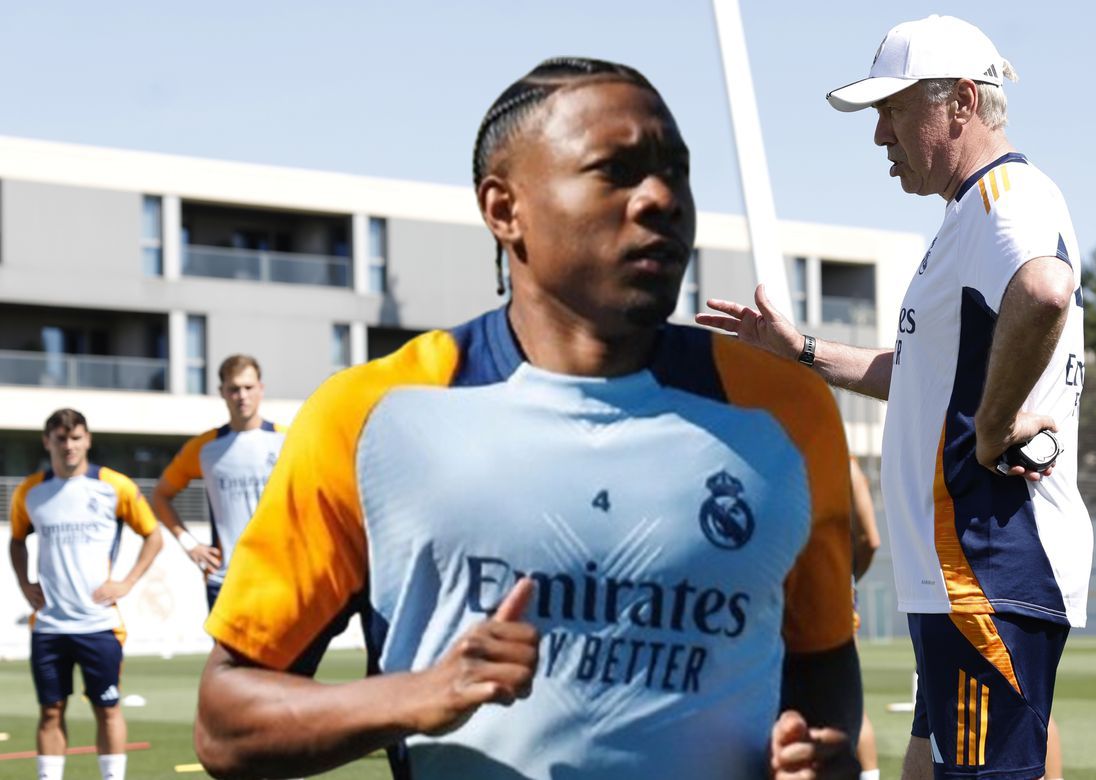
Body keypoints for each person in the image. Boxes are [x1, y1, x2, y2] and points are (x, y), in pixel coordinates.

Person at [194, 57, 862, 780]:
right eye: (618, 170)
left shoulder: (785, 411)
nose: (662, 197)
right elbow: (226, 723)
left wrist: (815, 753)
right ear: (504, 209)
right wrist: (418, 696)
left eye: (676, 171)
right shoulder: (374, 415)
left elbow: (823, 666)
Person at [699, 15, 1091, 780]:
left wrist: (995, 427)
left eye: (894, 108)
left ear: (963, 104)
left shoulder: (1005, 199)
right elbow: (916, 374)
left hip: (984, 563)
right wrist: (801, 350)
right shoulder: (969, 215)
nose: (880, 134)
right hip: (963, 570)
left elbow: (1045, 291)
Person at [8, 408, 163, 780]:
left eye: (76, 438)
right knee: (50, 711)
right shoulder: (30, 491)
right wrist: (24, 582)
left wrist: (126, 583)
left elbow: (153, 536)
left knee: (107, 709)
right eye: (60, 439)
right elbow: (17, 541)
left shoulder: (115, 486)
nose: (69, 446)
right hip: (49, 626)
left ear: (88, 440)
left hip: (99, 623)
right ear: (47, 442)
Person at [151, 354, 286, 611]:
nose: (242, 396)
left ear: (261, 389)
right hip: (225, 579)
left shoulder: (288, 441)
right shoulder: (204, 448)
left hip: (279, 576)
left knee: (287, 653)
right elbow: (160, 495)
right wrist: (190, 544)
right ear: (222, 392)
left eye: (248, 387)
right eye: (234, 389)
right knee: (224, 654)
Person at [848, 458, 881, 780]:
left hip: (778, 582)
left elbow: (870, 540)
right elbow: (869, 539)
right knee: (848, 698)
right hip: (833, 587)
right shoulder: (844, 463)